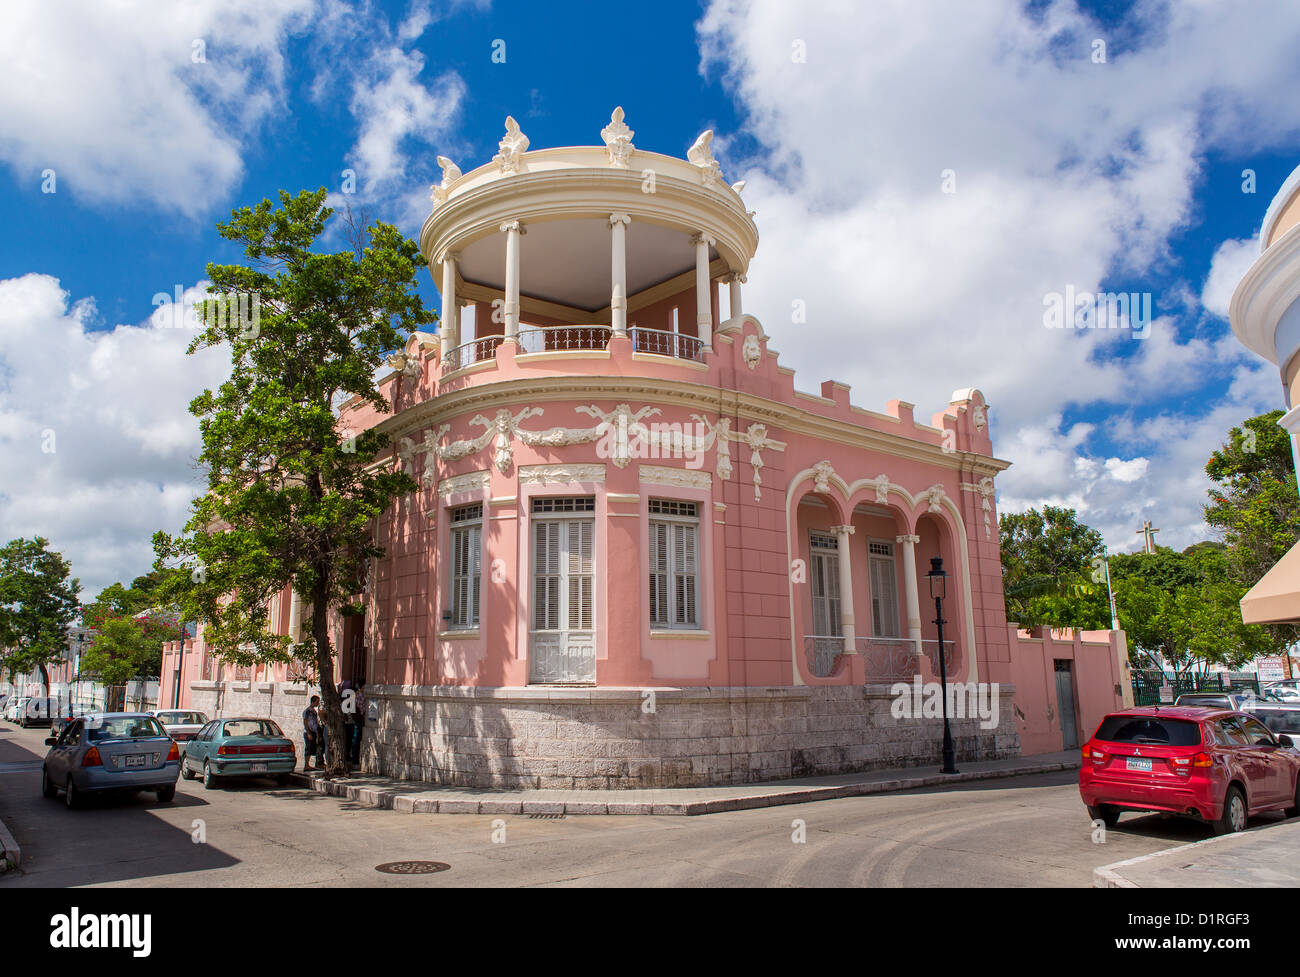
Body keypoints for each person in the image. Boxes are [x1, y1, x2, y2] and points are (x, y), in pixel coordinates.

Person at [350, 683, 368, 765]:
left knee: (356, 740)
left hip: (357, 720)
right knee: (356, 739)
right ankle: (355, 759)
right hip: (359, 720)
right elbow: (362, 708)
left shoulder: (356, 695)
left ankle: (355, 758)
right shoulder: (361, 696)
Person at [302, 695, 321, 771]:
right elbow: (305, 721)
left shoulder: (313, 710)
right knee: (308, 748)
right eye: (317, 702)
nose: (318, 703)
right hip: (309, 732)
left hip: (313, 732)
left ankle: (312, 764)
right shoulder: (308, 711)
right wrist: (308, 733)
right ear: (313, 701)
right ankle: (306, 765)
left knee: (312, 748)